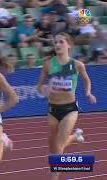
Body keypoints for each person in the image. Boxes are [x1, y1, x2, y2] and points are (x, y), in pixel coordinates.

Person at [36, 32, 96, 180]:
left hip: (70, 109)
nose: (57, 45)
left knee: (58, 147)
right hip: (52, 109)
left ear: (69, 45)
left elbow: (86, 80)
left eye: (61, 42)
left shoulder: (77, 65)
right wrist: (44, 90)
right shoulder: (48, 64)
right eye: (55, 42)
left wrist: (88, 92)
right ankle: (75, 136)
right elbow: (39, 87)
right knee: (54, 146)